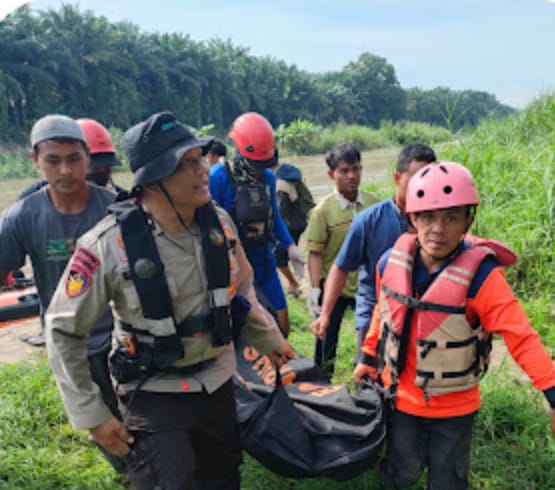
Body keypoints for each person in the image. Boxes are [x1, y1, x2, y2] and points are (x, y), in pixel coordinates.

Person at [45, 111, 296, 490]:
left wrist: (269, 338)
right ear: (154, 180)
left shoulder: (220, 225)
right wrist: (93, 415)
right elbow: (63, 330)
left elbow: (242, 288)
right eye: (187, 164)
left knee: (223, 478)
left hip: (216, 383)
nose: (201, 171)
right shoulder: (108, 245)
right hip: (153, 392)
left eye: (199, 159)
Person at [353, 161, 555, 489]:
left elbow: (521, 335)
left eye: (451, 217)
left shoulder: (482, 278)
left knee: (448, 481)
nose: (438, 229)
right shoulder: (390, 262)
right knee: (399, 473)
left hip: (455, 408)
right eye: (429, 217)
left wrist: (552, 391)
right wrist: (366, 356)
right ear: (412, 218)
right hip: (400, 400)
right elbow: (385, 312)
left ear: (467, 221)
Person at [0, 114, 122, 466]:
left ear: (87, 157)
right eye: (53, 160)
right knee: (101, 424)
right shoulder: (22, 217)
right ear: (35, 160)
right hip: (71, 341)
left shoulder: (114, 207)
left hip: (122, 337)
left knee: (139, 421)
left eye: (74, 159)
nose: (65, 170)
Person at [311, 144, 436, 361]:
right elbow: (340, 267)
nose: (422, 187)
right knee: (368, 379)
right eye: (415, 180)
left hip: (420, 313)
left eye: (428, 179)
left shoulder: (439, 223)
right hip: (374, 314)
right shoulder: (369, 219)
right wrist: (324, 314)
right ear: (397, 178)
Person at [210, 112, 304, 338]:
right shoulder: (218, 178)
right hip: (234, 266)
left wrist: (290, 246)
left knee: (282, 324)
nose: (259, 170)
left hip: (263, 260)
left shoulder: (269, 179)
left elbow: (275, 217)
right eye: (255, 165)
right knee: (245, 329)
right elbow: (210, 226)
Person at [304, 143, 376, 377]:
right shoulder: (322, 212)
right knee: (326, 339)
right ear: (331, 175)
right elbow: (315, 254)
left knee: (371, 337)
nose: (352, 176)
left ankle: (369, 383)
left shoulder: (373, 205)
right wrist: (315, 289)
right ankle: (321, 383)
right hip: (333, 286)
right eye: (344, 171)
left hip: (365, 285)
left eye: (356, 169)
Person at [18, 118, 124, 199]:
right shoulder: (31, 199)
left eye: (106, 169)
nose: (101, 176)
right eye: (95, 169)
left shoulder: (118, 198)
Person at [271, 157, 315, 297]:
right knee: (288, 254)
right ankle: (297, 281)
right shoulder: (288, 172)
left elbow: (280, 209)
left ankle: (294, 283)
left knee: (278, 257)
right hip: (299, 221)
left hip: (290, 224)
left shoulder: (280, 183)